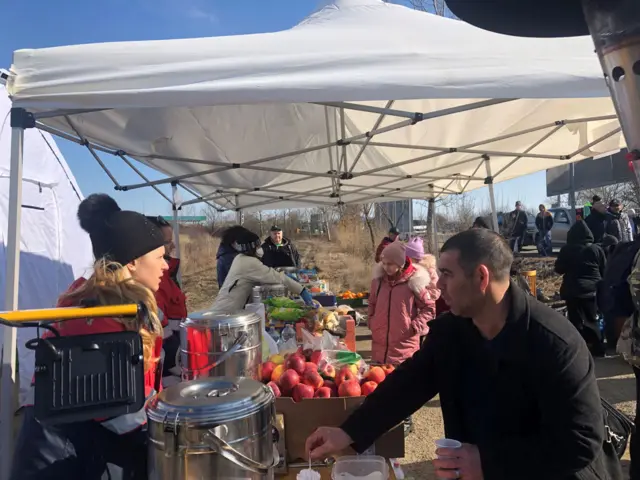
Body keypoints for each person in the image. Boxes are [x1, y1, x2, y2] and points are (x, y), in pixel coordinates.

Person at [305, 228, 609, 480]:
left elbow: (580, 442)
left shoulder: (555, 341)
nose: (438, 284)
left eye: (447, 274)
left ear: (481, 277)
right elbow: (408, 384)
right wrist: (349, 432)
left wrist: (488, 462)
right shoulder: (452, 332)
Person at [11, 194, 167, 480]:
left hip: (88, 453)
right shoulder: (92, 320)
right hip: (61, 464)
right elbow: (126, 420)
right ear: (132, 262)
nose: (166, 265)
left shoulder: (115, 306)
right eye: (159, 257)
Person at [212, 226, 313, 314]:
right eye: (258, 246)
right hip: (226, 313)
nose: (260, 248)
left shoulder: (240, 258)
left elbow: (264, 273)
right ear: (252, 248)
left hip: (225, 310)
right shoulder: (249, 262)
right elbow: (278, 278)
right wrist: (301, 290)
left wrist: (280, 274)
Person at [370, 241, 437, 365]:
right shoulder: (378, 282)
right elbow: (372, 303)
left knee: (402, 382)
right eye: (383, 263)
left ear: (400, 263)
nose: (385, 267)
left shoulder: (414, 282)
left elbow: (429, 307)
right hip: (379, 348)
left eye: (390, 264)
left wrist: (414, 327)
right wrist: (371, 321)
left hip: (404, 347)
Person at [554, 220, 606, 357]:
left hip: (572, 290)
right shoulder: (596, 249)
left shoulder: (566, 249)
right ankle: (598, 348)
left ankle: (579, 352)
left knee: (575, 321)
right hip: (592, 290)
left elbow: (559, 269)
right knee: (593, 319)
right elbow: (603, 269)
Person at [146, 216, 187, 387]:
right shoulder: (154, 280)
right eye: (168, 241)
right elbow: (161, 332)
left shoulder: (167, 273)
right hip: (169, 369)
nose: (173, 246)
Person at [404, 236, 441, 343]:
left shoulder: (429, 271)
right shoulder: (406, 270)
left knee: (418, 342)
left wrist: (422, 293)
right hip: (407, 313)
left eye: (409, 257)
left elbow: (436, 291)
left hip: (421, 314)